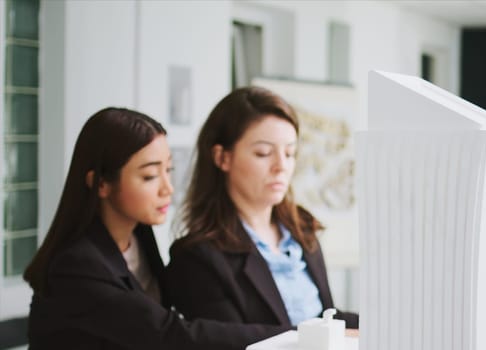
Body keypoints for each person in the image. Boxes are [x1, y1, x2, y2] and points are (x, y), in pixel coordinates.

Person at [23, 107, 290, 350]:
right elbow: (167, 334)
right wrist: (290, 337)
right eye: (149, 176)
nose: (167, 189)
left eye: (169, 171)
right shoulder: (76, 265)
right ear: (101, 183)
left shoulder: (138, 235)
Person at [164, 87, 359, 336]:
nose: (281, 166)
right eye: (263, 153)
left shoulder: (302, 229)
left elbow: (325, 316)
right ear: (222, 157)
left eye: (289, 153)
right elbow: (233, 344)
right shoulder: (197, 257)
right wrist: (331, 336)